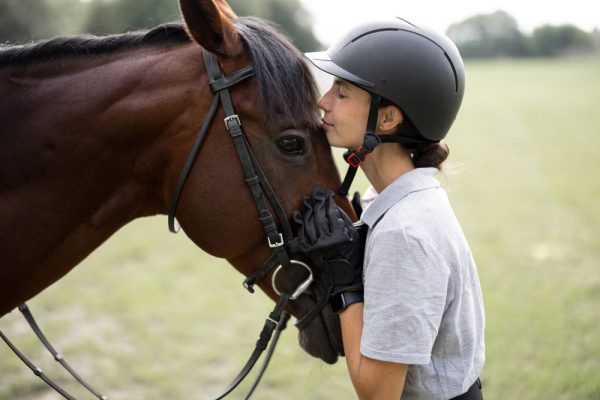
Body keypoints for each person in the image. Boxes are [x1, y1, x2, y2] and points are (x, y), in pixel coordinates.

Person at [298, 17, 485, 399]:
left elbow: (378, 392)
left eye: (343, 92)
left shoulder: (405, 233)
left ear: (387, 118)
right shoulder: (390, 199)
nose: (323, 101)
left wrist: (345, 283)